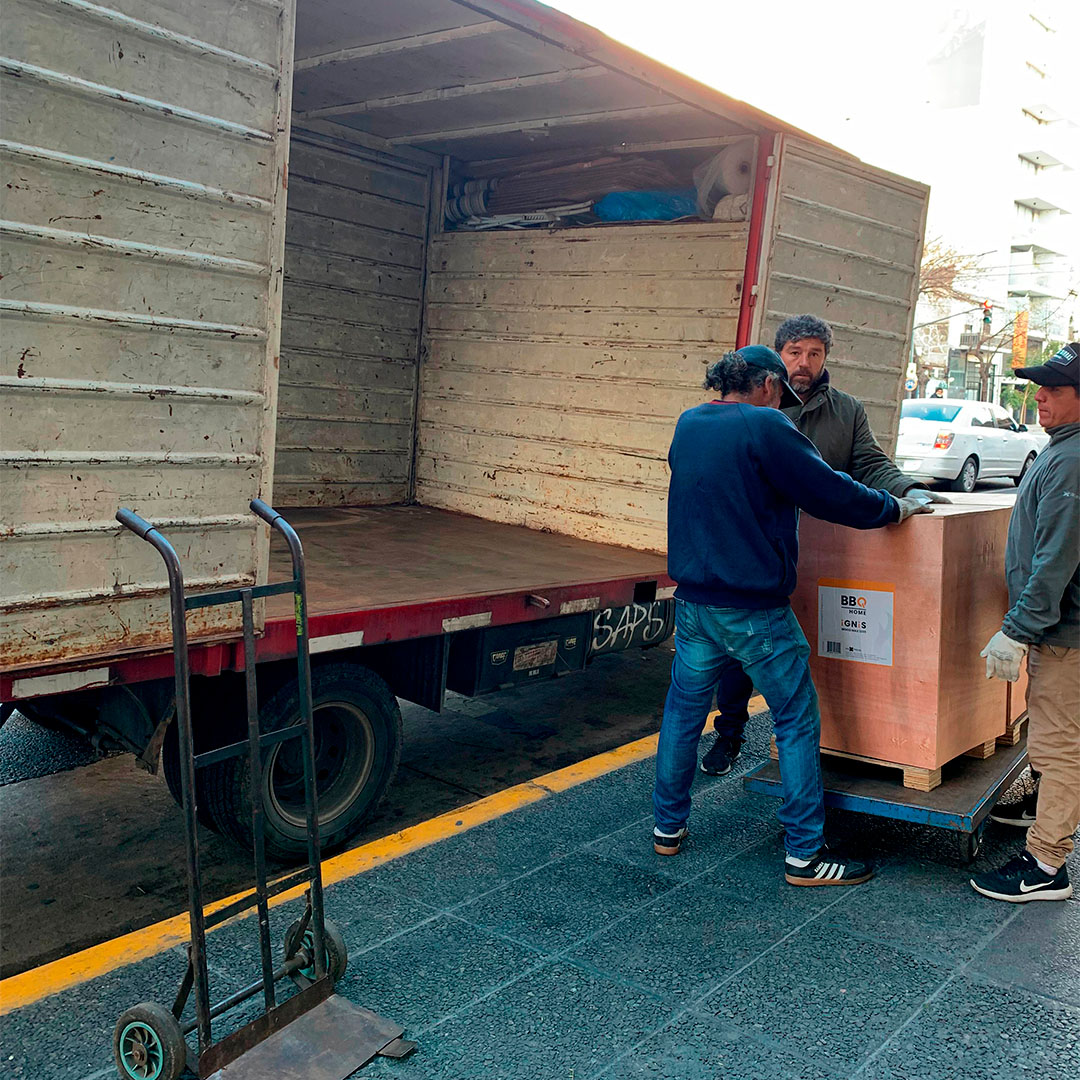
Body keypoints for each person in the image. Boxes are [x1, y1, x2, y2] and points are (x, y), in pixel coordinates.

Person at [653, 345, 933, 886]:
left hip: (693, 604)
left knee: (682, 717)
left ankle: (668, 829)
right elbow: (827, 490)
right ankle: (805, 854)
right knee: (796, 720)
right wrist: (893, 507)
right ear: (765, 384)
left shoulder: (691, 423)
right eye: (780, 391)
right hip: (754, 610)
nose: (783, 402)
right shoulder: (765, 426)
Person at [701, 314, 949, 777]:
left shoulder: (846, 410)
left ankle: (838, 740)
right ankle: (730, 732)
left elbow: (870, 464)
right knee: (740, 655)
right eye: (795, 353)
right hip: (762, 554)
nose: (804, 362)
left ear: (825, 359)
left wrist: (908, 490)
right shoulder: (764, 405)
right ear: (779, 358)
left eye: (814, 354)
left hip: (827, 556)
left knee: (825, 647)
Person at [971, 342, 1079, 903]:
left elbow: (1055, 560)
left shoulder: (1072, 460)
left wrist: (1018, 628)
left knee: (1062, 746)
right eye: (1041, 386)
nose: (1040, 397)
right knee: (1053, 733)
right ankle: (1040, 809)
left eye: (1055, 389)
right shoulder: (1063, 449)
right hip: (1060, 632)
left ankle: (1045, 865)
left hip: (1066, 635)